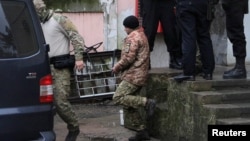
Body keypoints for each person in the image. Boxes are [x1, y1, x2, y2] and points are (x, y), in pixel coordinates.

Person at [33, 0, 85, 140]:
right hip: (43, 66)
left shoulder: (59, 19)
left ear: (41, 10)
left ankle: (74, 127)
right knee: (42, 102)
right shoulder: (37, 24)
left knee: (60, 101)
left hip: (59, 67)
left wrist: (79, 57)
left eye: (36, 13)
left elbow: (76, 37)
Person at [112, 15, 156, 141]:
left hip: (133, 75)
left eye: (125, 28)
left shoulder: (132, 38)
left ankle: (147, 102)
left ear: (128, 27)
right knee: (129, 105)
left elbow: (128, 58)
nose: (125, 30)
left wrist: (116, 67)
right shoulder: (142, 35)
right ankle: (142, 132)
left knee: (118, 97)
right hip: (140, 74)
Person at [173, 0, 215, 82]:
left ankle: (189, 72)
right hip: (203, 4)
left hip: (186, 4)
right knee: (204, 36)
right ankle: (208, 72)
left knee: (188, 38)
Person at [140, 0, 182, 70]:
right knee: (149, 31)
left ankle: (174, 58)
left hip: (167, 3)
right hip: (150, 3)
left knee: (171, 30)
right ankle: (146, 60)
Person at [222, 0, 248, 79]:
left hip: (235, 3)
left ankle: (240, 68)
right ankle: (239, 66)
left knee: (236, 33)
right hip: (234, 4)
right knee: (234, 32)